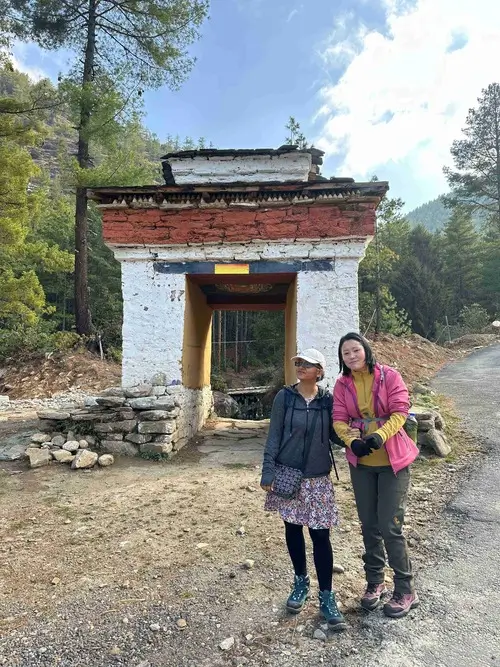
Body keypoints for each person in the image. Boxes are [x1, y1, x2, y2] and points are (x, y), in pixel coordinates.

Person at [333, 332, 420, 619]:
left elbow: (400, 411)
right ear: (341, 359)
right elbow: (338, 419)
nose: (351, 356)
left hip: (393, 460)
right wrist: (351, 441)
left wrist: (380, 436)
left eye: (355, 350)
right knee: (368, 523)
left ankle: (405, 589)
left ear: (366, 350)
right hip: (363, 465)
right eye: (346, 353)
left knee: (389, 524)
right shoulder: (342, 384)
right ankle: (375, 582)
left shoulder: (390, 376)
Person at [260, 348, 347, 631]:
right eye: (299, 362)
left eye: (307, 364)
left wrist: (357, 435)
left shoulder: (327, 400)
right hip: (288, 474)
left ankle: (326, 596)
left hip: (318, 479)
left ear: (320, 371)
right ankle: (300, 582)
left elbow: (336, 433)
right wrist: (268, 471)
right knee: (293, 530)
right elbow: (273, 436)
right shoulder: (284, 398)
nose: (300, 366)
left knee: (321, 535)